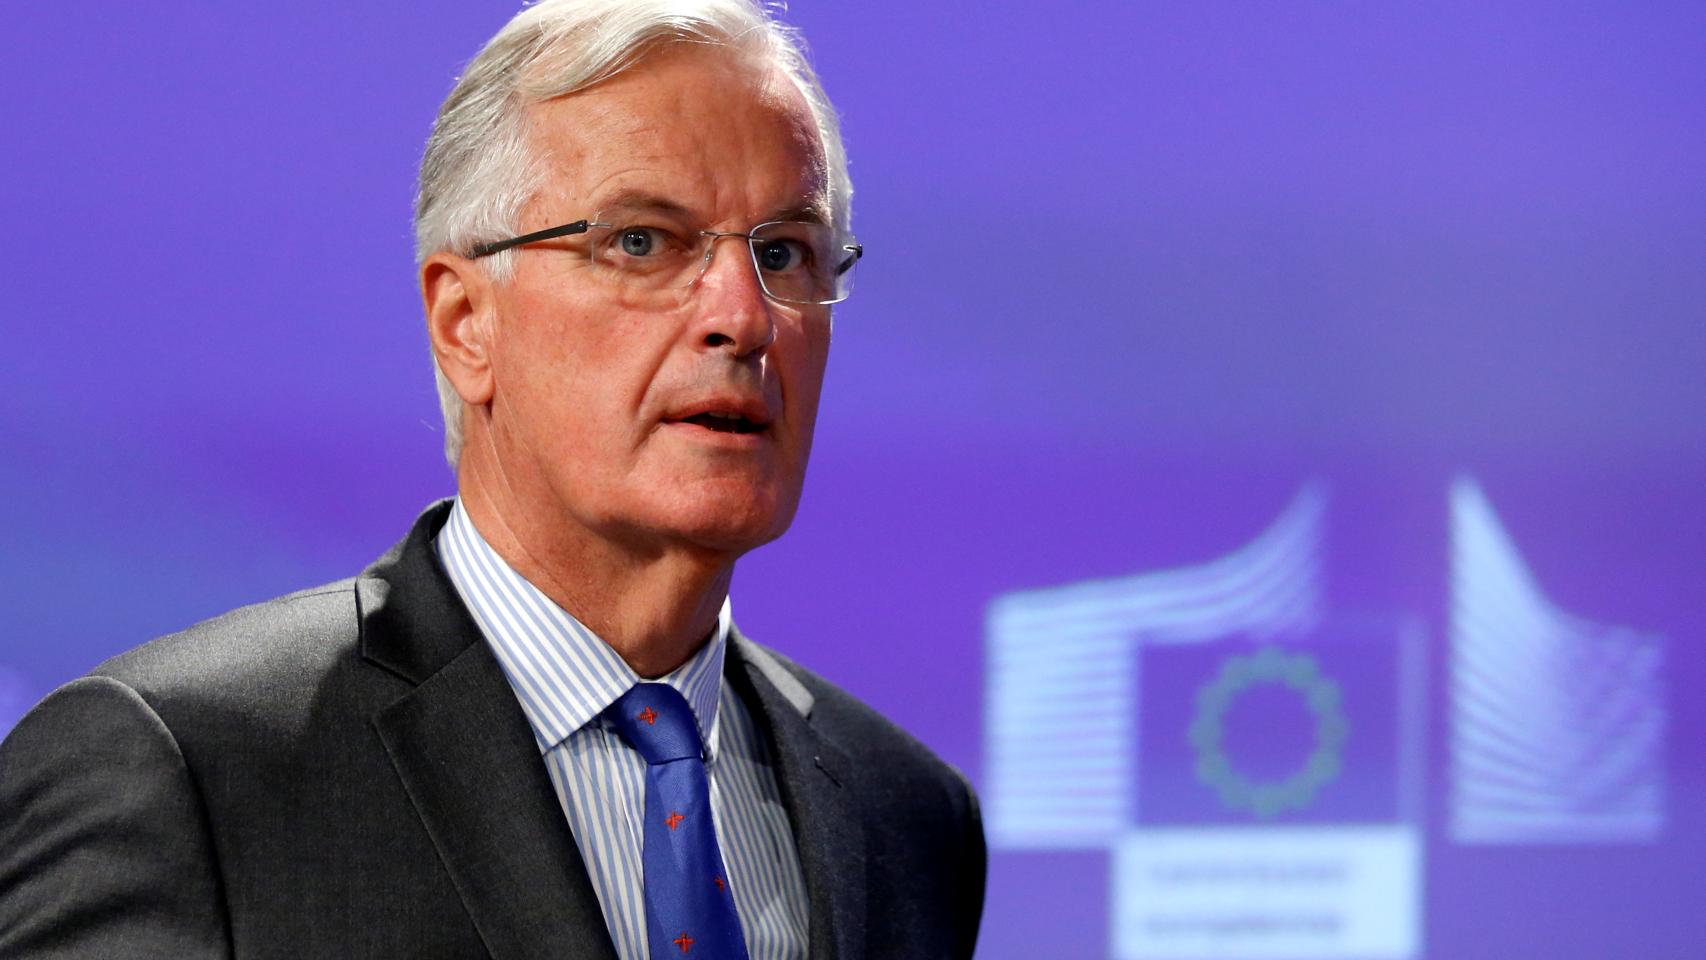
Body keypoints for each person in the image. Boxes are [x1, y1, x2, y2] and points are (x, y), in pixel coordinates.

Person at [0, 1, 986, 957]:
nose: (744, 316)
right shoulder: (186, 773)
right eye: (641, 241)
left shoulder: (904, 816)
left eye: (783, 252)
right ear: (465, 324)